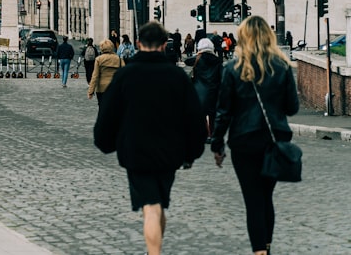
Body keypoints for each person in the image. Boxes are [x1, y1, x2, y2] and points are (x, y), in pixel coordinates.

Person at [94, 21, 207, 255]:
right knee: (158, 203)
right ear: (165, 45)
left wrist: (105, 142)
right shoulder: (177, 76)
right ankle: (153, 250)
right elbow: (194, 118)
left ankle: (153, 253)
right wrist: (192, 152)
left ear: (138, 44)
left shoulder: (126, 75)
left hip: (136, 150)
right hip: (170, 152)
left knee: (152, 206)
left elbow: (109, 114)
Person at [210, 15, 299, 255]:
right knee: (266, 196)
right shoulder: (281, 67)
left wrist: (217, 143)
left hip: (244, 141)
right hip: (273, 141)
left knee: (253, 199)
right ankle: (266, 247)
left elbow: (223, 112)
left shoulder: (232, 69)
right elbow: (292, 107)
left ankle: (259, 250)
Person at [185, 37, 222, 138]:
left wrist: (197, 54)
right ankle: (212, 133)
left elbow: (187, 61)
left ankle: (205, 133)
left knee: (201, 113)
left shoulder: (198, 58)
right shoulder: (217, 60)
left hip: (200, 89)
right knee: (213, 114)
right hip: (214, 90)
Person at [87, 39, 122, 107]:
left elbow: (95, 76)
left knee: (102, 107)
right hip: (115, 87)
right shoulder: (119, 59)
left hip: (101, 88)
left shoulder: (99, 59)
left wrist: (91, 91)